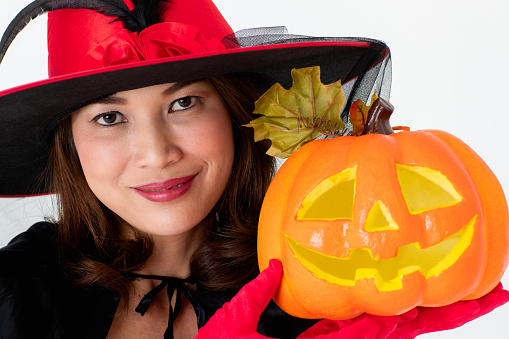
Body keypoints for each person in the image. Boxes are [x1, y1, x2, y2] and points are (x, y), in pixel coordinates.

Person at [5, 1, 503, 339]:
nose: (156, 154)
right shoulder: (14, 292)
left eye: (184, 102)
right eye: (109, 117)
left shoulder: (328, 280)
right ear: (70, 145)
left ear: (238, 116)